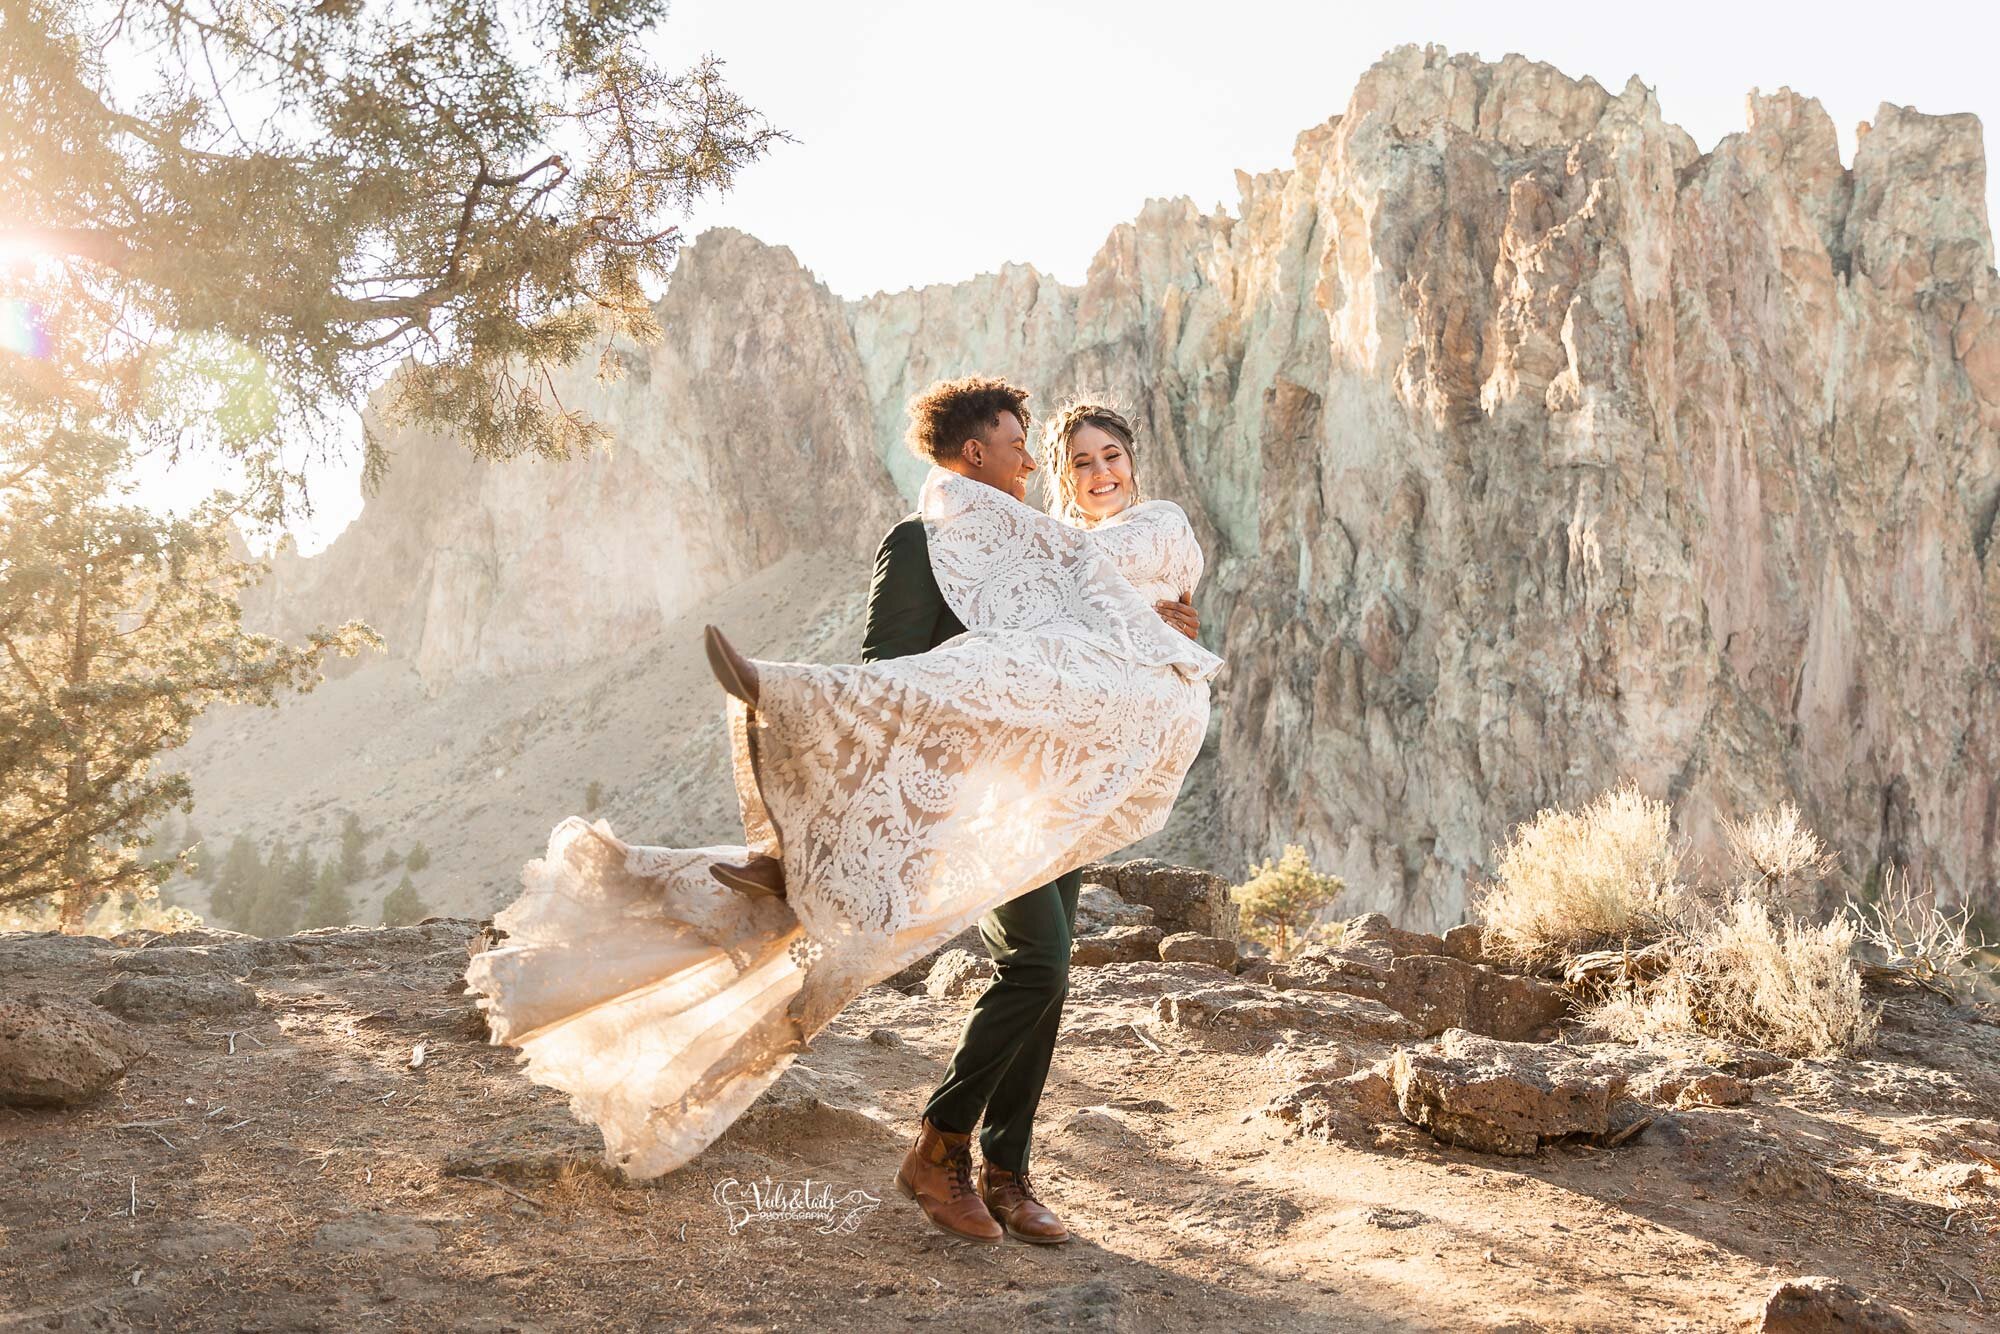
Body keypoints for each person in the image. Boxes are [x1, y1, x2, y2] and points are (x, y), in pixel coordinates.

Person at [464, 376, 1219, 1220]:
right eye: (1025, 446)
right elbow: (884, 673)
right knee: (1036, 961)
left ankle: (1009, 1177)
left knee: (1046, 976)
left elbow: (1096, 626)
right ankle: (940, 1150)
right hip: (967, 796)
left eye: (1099, 458)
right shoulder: (916, 542)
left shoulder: (1043, 547)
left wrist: (1159, 628)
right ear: (977, 452)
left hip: (1050, 795)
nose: (1036, 463)